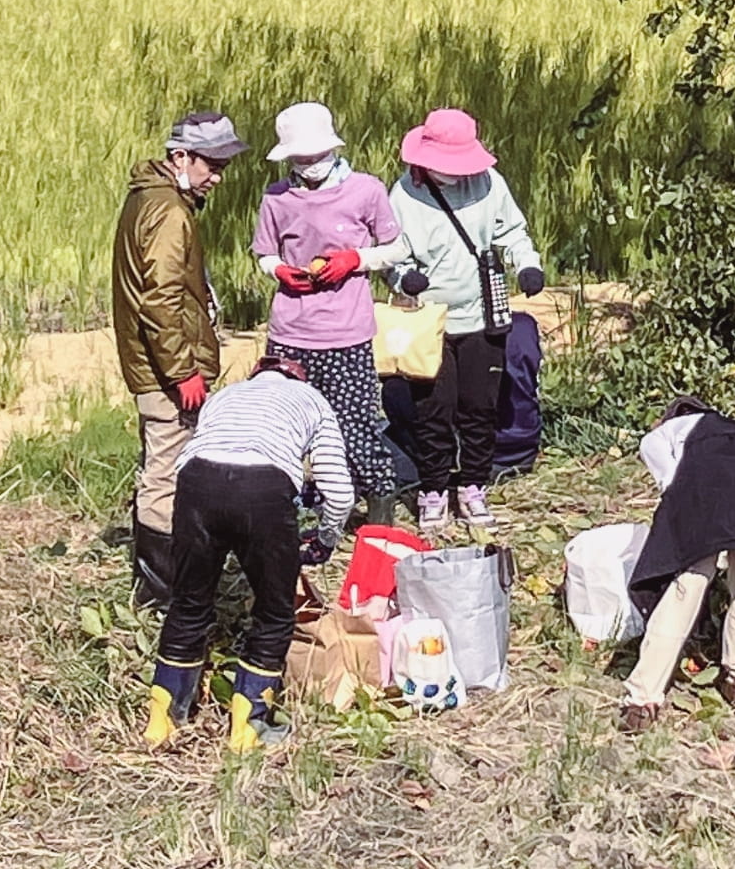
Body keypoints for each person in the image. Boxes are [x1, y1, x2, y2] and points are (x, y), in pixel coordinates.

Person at [145, 354, 352, 752]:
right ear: (299, 378)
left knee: (189, 603)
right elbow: (339, 493)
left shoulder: (226, 395)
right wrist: (324, 539)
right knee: (274, 611)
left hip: (196, 481)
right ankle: (248, 727)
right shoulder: (313, 401)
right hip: (263, 487)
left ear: (256, 373)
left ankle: (163, 721)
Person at [111, 111, 247, 610]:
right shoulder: (168, 211)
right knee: (165, 474)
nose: (217, 175)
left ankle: (165, 586)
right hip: (166, 372)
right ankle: (161, 596)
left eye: (223, 165)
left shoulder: (150, 199)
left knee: (163, 467)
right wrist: (182, 370)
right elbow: (160, 297)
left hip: (159, 365)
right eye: (211, 164)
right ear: (179, 157)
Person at [386, 108, 544, 534]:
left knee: (480, 406)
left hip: (482, 314)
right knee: (433, 410)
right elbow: (389, 254)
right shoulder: (403, 196)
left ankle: (473, 484)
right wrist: (405, 278)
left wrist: (526, 265)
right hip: (428, 322)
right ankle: (434, 489)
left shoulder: (490, 185)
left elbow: (513, 232)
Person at [253, 102, 410, 529]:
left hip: (346, 334)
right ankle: (303, 510)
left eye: (315, 156)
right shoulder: (277, 198)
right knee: (288, 428)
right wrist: (280, 270)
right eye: (300, 159)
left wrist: (354, 259)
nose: (309, 165)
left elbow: (397, 248)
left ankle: (379, 513)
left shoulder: (366, 190)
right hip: (290, 332)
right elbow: (264, 253)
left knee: (355, 426)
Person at [622, 400, 735, 731]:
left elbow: (650, 448)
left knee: (689, 580)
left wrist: (675, 491)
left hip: (709, 476)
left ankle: (642, 698)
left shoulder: (674, 428)